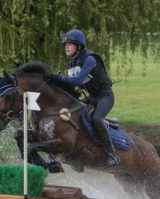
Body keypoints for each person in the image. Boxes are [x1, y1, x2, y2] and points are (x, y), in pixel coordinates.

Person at [50, 29, 120, 167]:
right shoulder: (72, 62)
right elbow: (71, 85)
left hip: (105, 97)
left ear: (79, 46)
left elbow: (78, 81)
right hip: (91, 97)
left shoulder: (90, 59)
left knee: (96, 118)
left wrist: (58, 77)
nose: (66, 47)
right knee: (67, 113)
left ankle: (112, 154)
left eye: (70, 44)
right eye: (65, 44)